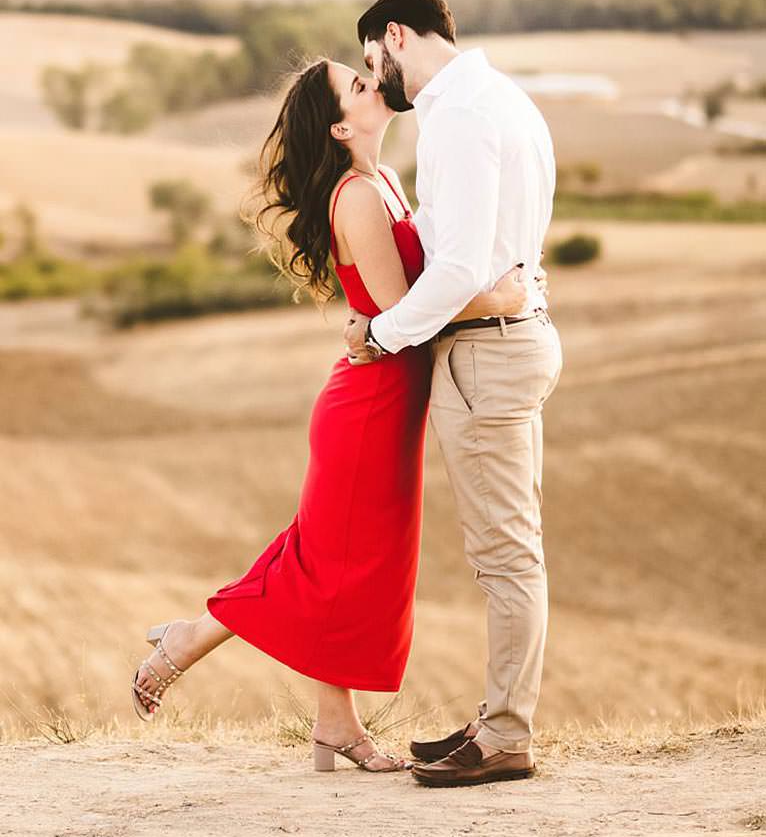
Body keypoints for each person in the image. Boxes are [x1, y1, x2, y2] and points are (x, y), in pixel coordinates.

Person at [130, 55, 534, 774]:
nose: (376, 83)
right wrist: (499, 299)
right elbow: (401, 306)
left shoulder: (384, 181)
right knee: (332, 564)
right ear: (343, 126)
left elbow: (404, 301)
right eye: (357, 84)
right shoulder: (358, 197)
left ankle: (333, 726)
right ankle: (187, 641)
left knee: (347, 567)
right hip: (369, 408)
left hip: (386, 399)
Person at [345, 0, 563, 788]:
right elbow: (502, 247)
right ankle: (496, 716)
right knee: (510, 552)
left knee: (505, 558)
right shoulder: (501, 96)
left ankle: (506, 734)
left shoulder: (459, 115)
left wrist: (380, 332)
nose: (378, 78)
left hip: (484, 351)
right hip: (515, 336)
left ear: (395, 35)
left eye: (374, 59)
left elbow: (462, 267)